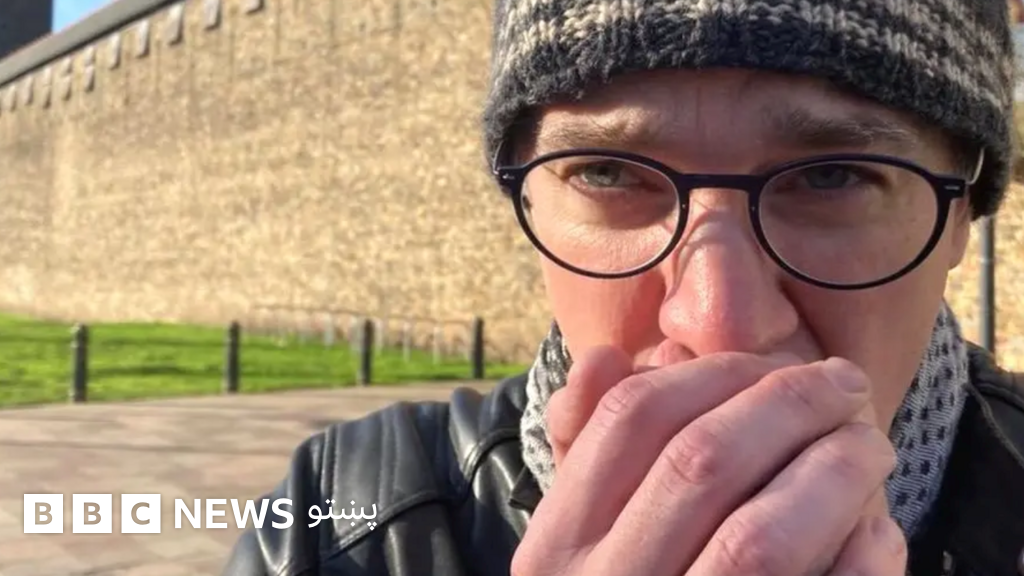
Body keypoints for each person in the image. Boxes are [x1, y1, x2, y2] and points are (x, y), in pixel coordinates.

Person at [223, 0, 1024, 574]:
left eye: (832, 176)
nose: (718, 323)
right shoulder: (338, 523)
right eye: (607, 173)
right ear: (525, 199)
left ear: (963, 216)